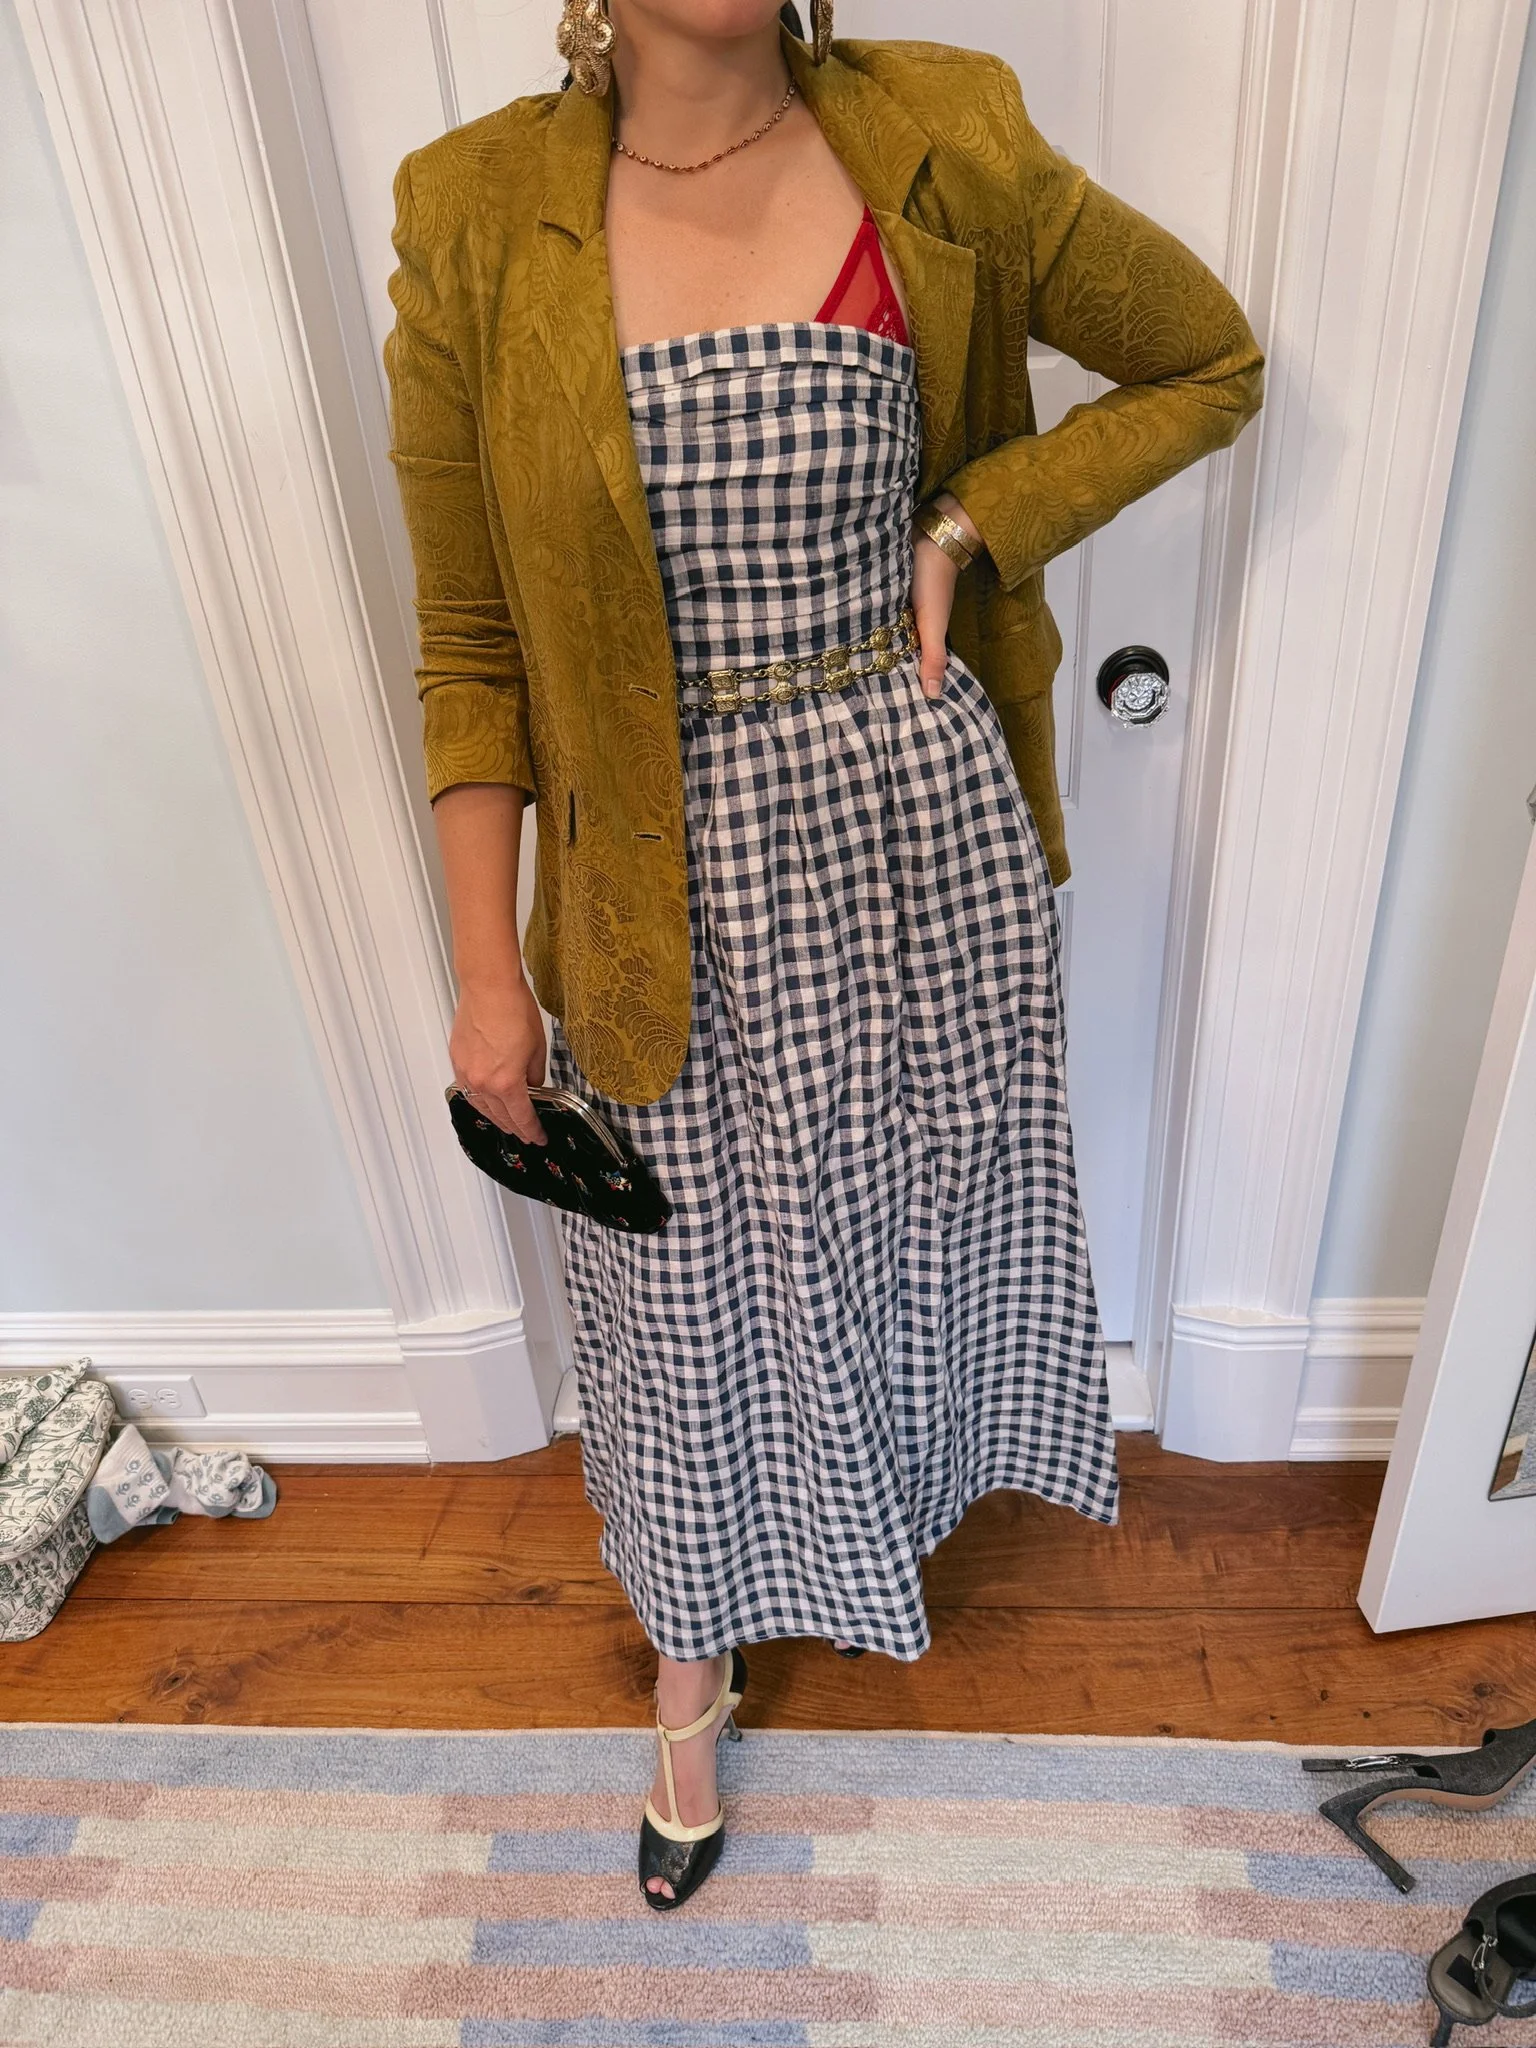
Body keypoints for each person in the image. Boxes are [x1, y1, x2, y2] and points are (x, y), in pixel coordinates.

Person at [383, 0, 1264, 1910]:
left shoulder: (943, 139)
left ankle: (871, 1526)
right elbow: (473, 643)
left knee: (899, 1214)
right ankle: (690, 1668)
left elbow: (1206, 358)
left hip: (907, 828)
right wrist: (482, 972)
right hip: (648, 871)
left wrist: (973, 519)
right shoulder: (469, 215)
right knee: (677, 1297)